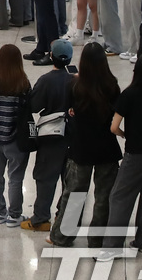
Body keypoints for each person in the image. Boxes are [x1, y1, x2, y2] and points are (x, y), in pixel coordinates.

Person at [50, 43, 122, 249]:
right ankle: (97, 239)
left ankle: (63, 236)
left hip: (80, 147)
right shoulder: (112, 86)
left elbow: (68, 111)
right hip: (106, 147)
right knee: (103, 197)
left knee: (74, 194)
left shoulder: (74, 86)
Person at [102, 52, 142, 255]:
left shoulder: (129, 95)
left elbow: (113, 127)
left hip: (134, 154)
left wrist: (125, 135)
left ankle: (112, 246)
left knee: (120, 198)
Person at [22, 38, 75, 232]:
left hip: (50, 139)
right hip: (73, 137)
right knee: (70, 180)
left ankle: (41, 218)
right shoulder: (75, 79)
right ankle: (64, 218)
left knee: (46, 179)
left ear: (51, 56)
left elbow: (34, 105)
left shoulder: (45, 80)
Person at [0, 43, 31, 227]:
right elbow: (27, 108)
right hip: (15, 140)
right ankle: (14, 215)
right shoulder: (23, 84)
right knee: (15, 178)